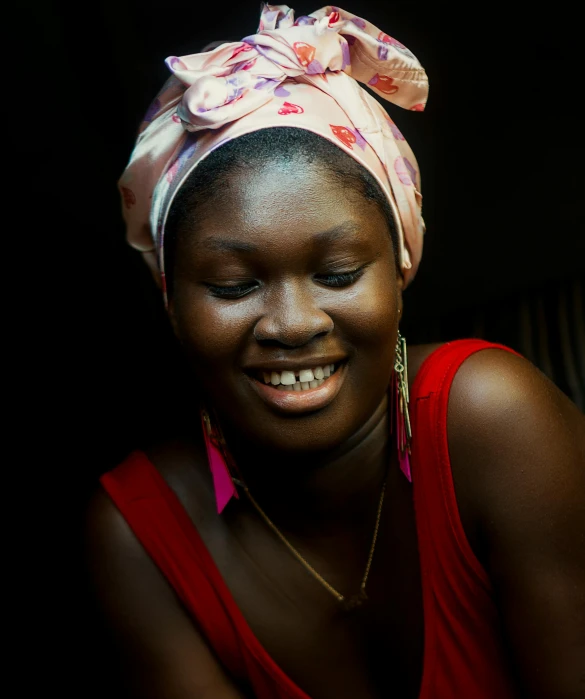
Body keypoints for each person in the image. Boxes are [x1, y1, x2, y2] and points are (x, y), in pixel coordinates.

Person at [86, 5, 585, 698]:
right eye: (234, 285)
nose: (292, 323)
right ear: (171, 300)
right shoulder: (141, 538)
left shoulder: (494, 421)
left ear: (400, 268)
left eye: (338, 274)